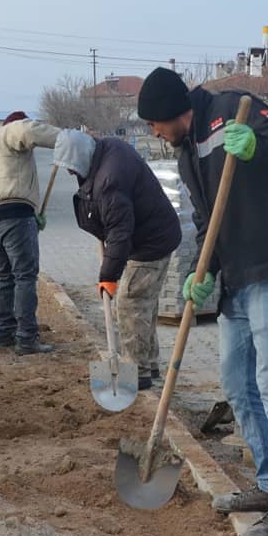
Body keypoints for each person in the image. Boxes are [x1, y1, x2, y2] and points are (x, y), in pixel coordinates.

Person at [136, 67, 268, 536]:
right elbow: (205, 218)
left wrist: (260, 147)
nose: (153, 132)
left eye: (153, 123)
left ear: (171, 112)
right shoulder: (185, 155)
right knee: (239, 384)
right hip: (239, 276)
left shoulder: (232, 110)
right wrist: (204, 271)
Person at [53, 129, 181, 390]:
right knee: (143, 302)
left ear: (81, 157)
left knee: (130, 301)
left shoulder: (109, 181)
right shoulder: (106, 149)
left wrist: (108, 276)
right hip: (156, 232)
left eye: (71, 168)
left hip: (150, 242)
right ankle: (148, 364)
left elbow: (120, 233)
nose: (70, 173)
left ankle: (136, 371)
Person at [0, 111, 61, 355]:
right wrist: (67, 139)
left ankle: (5, 333)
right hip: (13, 213)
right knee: (24, 276)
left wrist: (31, 214)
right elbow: (27, 130)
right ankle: (26, 338)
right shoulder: (10, 131)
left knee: (6, 276)